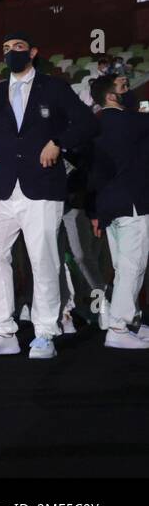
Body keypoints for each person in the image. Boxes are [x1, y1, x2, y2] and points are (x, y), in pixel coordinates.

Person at [0, 32, 98, 359]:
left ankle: (44, 334)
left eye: (17, 47)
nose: (10, 53)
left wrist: (58, 142)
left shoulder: (53, 87)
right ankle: (3, 331)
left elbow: (85, 122)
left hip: (41, 186)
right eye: (5, 49)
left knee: (43, 260)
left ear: (33, 52)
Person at [85, 75, 149, 349]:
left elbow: (88, 173)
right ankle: (119, 327)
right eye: (123, 88)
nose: (129, 92)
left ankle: (130, 320)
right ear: (111, 96)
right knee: (133, 267)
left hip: (106, 206)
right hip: (133, 202)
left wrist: (94, 211)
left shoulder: (91, 128)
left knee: (121, 268)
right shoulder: (137, 122)